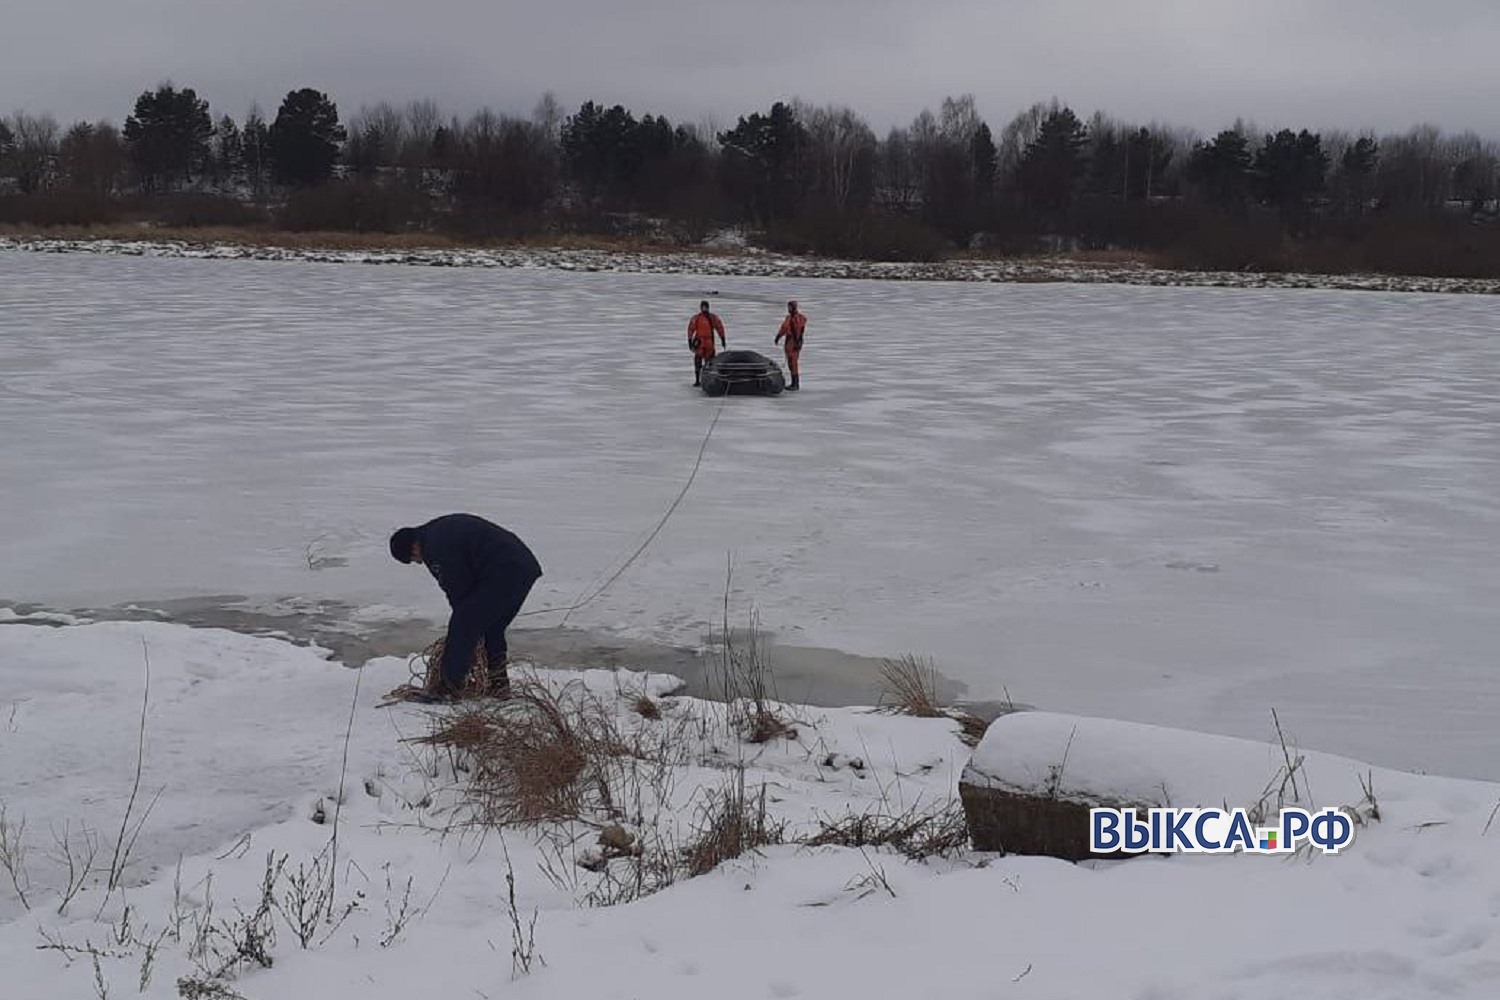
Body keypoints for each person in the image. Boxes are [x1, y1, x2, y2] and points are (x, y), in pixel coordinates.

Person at [389, 513, 543, 701]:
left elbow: (458, 588)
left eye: (413, 559)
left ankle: (447, 690)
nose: (419, 562)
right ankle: (499, 685)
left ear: (413, 546)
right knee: (492, 627)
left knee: (464, 623)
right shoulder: (436, 532)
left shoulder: (434, 546)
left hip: (505, 569)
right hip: (523, 567)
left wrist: (462, 644)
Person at [686, 299, 727, 386]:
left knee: (710, 362)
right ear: (701, 308)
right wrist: (690, 341)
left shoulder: (713, 317)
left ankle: (709, 379)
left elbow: (720, 327)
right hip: (699, 342)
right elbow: (690, 329)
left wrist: (723, 338)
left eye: (706, 307)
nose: (704, 309)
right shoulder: (696, 318)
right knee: (697, 361)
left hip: (709, 342)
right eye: (703, 307)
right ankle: (697, 380)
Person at [774, 299, 806, 391]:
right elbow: (785, 329)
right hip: (794, 343)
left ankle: (795, 384)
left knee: (793, 363)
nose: (788, 308)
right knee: (791, 363)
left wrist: (778, 337)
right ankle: (794, 383)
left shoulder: (794, 318)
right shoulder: (798, 318)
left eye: (790, 307)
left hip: (793, 343)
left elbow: (786, 329)